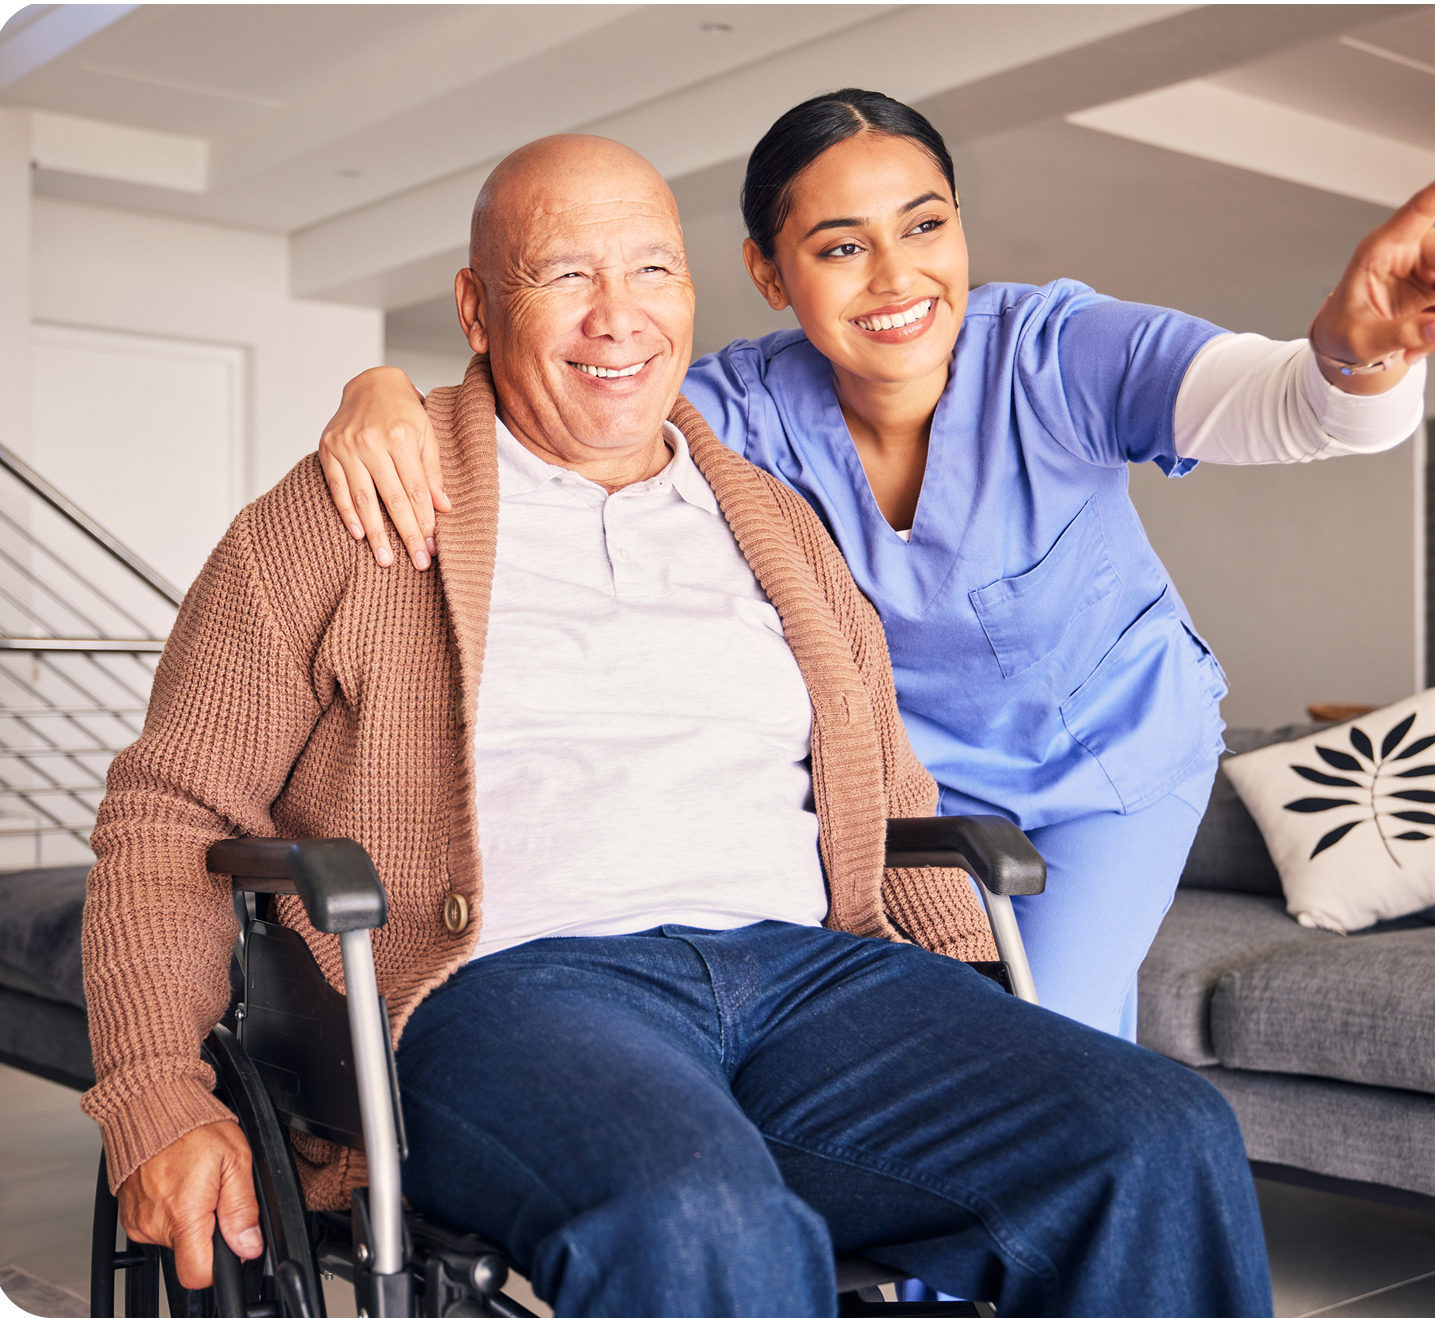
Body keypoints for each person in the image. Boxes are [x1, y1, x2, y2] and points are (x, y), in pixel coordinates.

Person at [83, 134, 1272, 1318]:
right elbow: (173, 812)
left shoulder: (771, 518)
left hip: (812, 977)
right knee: (699, 1213)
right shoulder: (347, 509)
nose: (620, 318)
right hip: (513, 985)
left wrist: (961, 1006)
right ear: (476, 306)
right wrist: (156, 1093)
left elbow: (890, 790)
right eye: (564, 276)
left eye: (653, 271)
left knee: (1154, 1133)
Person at [319, 90, 1435, 1040]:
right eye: (840, 245)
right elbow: (564, 398)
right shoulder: (737, 405)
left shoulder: (1053, 350)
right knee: (908, 1060)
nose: (894, 277)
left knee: (1051, 1046)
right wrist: (385, 390)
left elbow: (1284, 406)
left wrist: (1355, 358)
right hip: (911, 789)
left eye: (923, 225)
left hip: (1108, 771)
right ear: (772, 276)